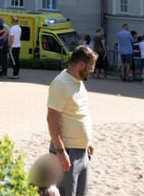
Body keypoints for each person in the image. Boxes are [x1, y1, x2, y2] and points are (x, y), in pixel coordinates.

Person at [47, 45, 98, 196]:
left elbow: (78, 113)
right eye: (91, 67)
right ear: (81, 64)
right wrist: (61, 151)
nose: (92, 71)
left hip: (82, 152)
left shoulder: (78, 82)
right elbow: (52, 118)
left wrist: (86, 141)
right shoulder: (61, 83)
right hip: (67, 152)